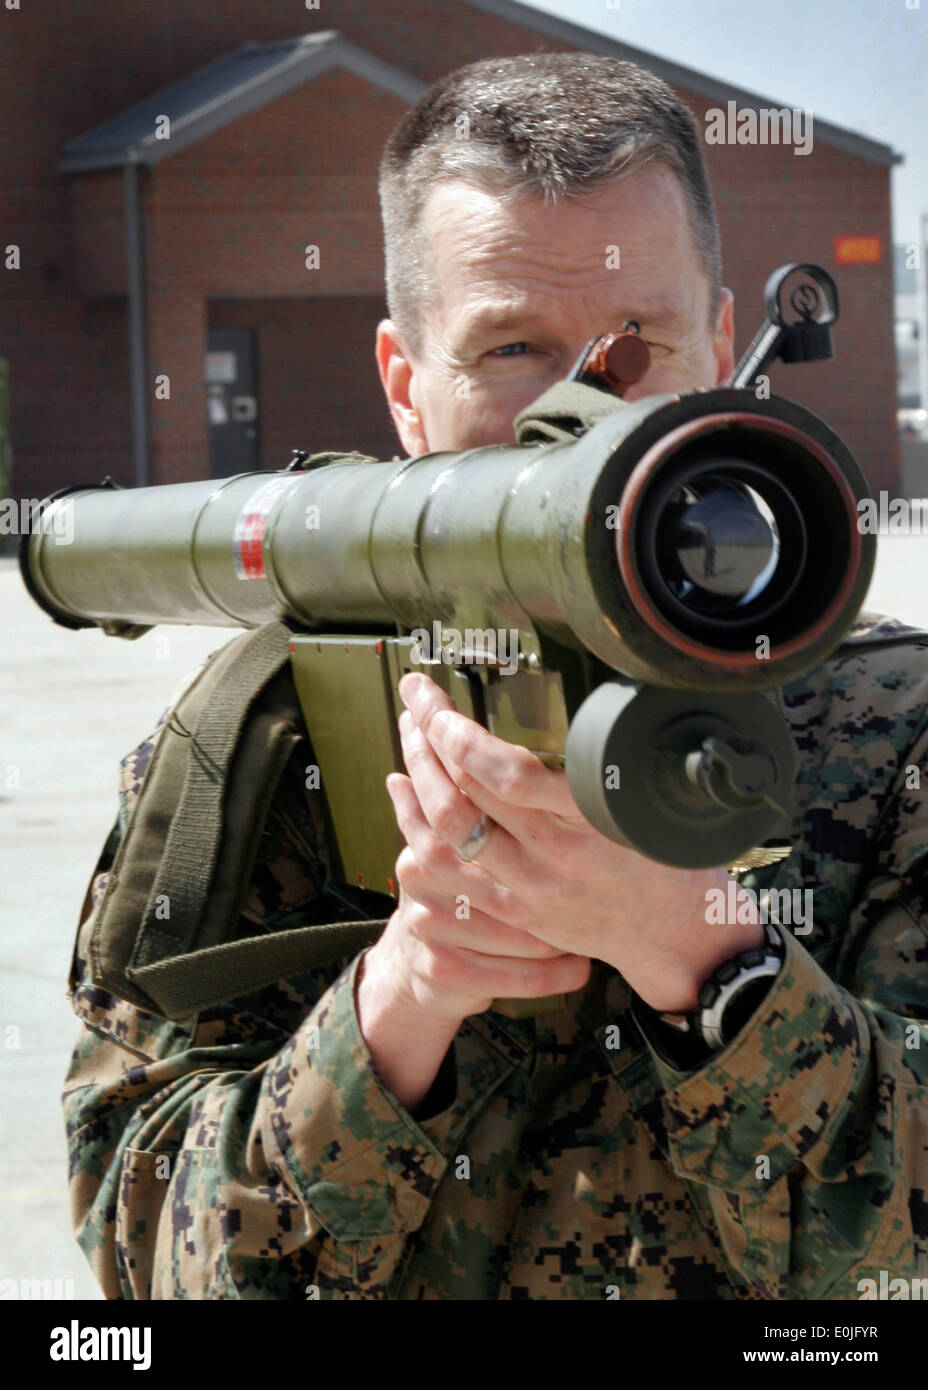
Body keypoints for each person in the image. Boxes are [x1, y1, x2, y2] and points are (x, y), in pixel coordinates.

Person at [63, 52, 928, 1300]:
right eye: (514, 348)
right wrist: (399, 1005)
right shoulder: (262, 743)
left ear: (727, 344)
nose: (585, 410)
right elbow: (142, 1259)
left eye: (640, 346)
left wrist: (713, 967)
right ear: (405, 388)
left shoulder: (894, 736)